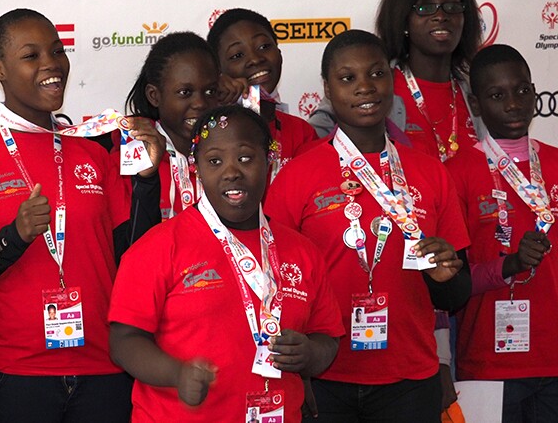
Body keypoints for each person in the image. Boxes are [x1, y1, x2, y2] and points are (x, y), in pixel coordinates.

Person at [0, 8, 164, 422]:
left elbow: (132, 255)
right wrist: (14, 236)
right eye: (31, 55)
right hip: (13, 374)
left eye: (57, 51)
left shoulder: (92, 149)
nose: (51, 64)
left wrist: (146, 180)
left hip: (103, 367)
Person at [265, 30, 471, 422]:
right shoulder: (297, 176)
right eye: (348, 78)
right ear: (326, 88)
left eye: (376, 74)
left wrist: (444, 277)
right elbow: (277, 285)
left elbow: (456, 294)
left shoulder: (430, 172)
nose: (365, 87)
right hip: (324, 376)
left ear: (390, 80)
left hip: (410, 379)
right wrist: (298, 373)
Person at [109, 105, 344, 422]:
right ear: (197, 169)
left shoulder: (302, 251)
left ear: (269, 161)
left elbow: (327, 338)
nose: (231, 171)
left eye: (245, 158)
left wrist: (309, 354)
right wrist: (176, 374)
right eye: (215, 161)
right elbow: (124, 341)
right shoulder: (157, 247)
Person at [448, 44, 558, 422]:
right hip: (488, 365)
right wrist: (508, 264)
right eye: (497, 95)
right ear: (476, 105)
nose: (513, 104)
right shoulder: (455, 173)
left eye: (522, 91)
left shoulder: (557, 162)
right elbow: (453, 285)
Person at [309, 0, 482, 161]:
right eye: (426, 7)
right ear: (403, 20)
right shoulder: (374, 84)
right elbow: (310, 145)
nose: (441, 16)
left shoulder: (478, 90)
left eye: (452, 7)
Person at [207, 8, 319, 181]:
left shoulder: (301, 132)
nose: (255, 59)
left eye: (264, 46)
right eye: (237, 55)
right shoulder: (208, 130)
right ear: (219, 70)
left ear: (279, 53)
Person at [123, 31, 219, 220]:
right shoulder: (132, 155)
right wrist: (145, 182)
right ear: (154, 96)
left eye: (210, 91)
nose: (200, 103)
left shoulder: (228, 156)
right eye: (185, 92)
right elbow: (129, 244)